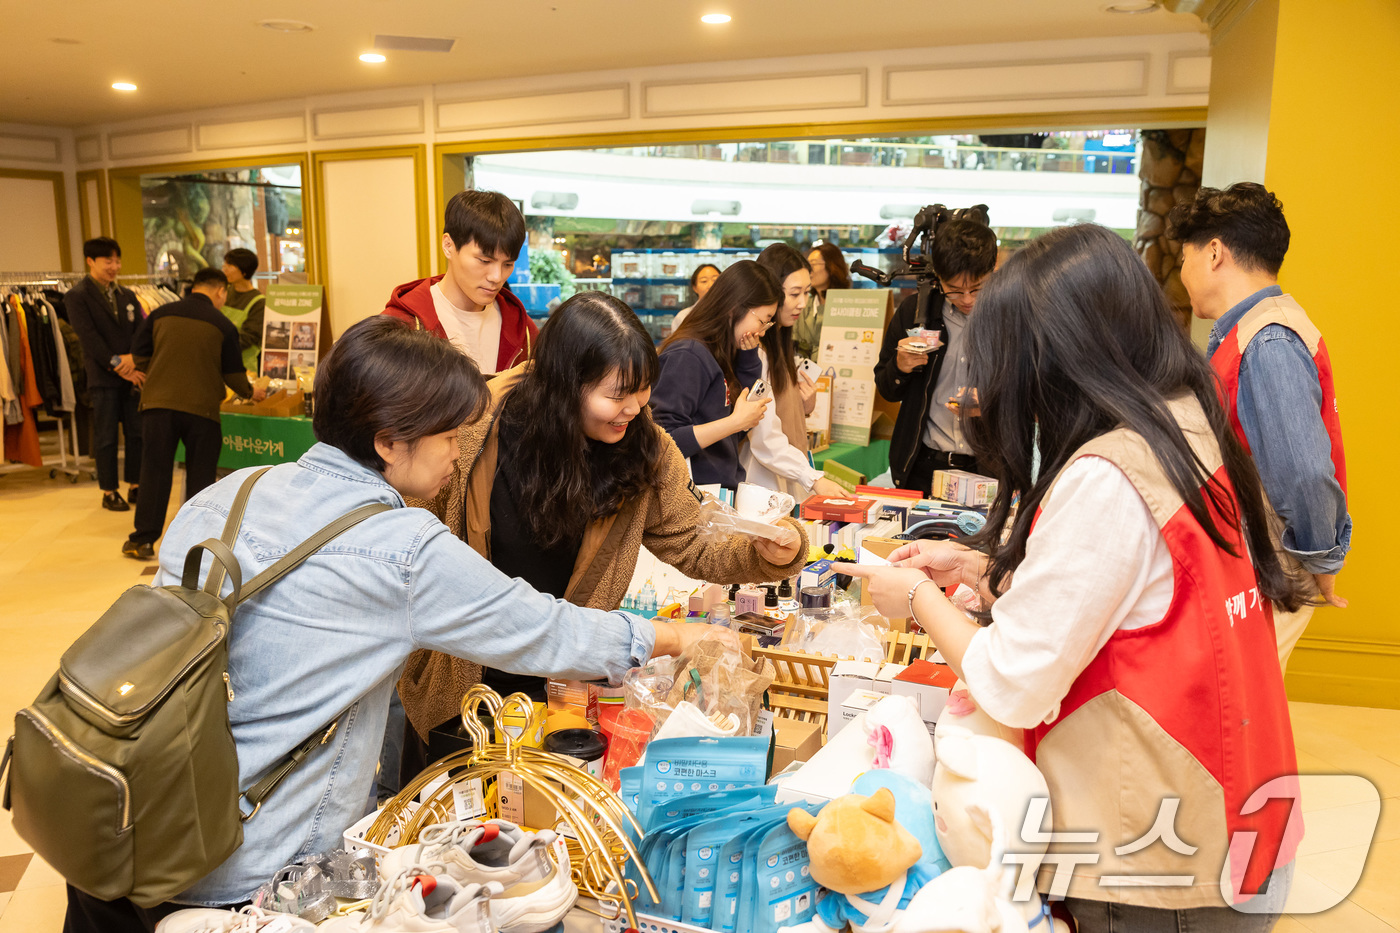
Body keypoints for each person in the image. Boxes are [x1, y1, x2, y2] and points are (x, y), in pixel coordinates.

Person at [64, 316, 713, 933]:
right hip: (251, 870)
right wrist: (677, 636)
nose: (458, 453)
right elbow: (546, 630)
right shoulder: (400, 547)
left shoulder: (229, 492)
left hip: (127, 826)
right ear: (387, 442)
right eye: (446, 434)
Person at [840, 224, 1303, 933]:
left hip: (1156, 855)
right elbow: (1127, 597)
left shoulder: (1108, 472)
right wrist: (977, 568)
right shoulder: (1185, 423)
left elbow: (1013, 681)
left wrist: (921, 599)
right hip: (1240, 814)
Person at [397, 291, 807, 738]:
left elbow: (692, 539)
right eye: (617, 395)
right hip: (464, 692)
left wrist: (770, 549)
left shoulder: (645, 448)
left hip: (566, 692)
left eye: (643, 390)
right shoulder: (476, 430)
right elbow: (409, 544)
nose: (634, 408)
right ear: (565, 383)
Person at [1168, 182, 1351, 670]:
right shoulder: (1255, 331)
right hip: (1260, 561)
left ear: (1213, 253)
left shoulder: (1267, 340)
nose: (1180, 274)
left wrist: (1320, 559)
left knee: (1241, 713)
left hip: (1271, 565)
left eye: (1182, 258)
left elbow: (1305, 472)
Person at [122, 268, 265, 560]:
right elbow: (233, 375)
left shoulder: (160, 314)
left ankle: (143, 540)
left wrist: (162, 372)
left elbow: (138, 356)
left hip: (158, 406)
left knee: (155, 471)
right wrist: (253, 392)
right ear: (220, 292)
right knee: (200, 476)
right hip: (203, 410)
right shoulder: (222, 324)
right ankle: (193, 545)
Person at [873, 218, 997, 494]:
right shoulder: (916, 313)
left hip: (989, 468)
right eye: (954, 289)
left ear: (993, 271)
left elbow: (1033, 396)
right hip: (924, 468)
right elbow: (885, 386)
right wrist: (900, 367)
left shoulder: (1011, 317)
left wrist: (991, 404)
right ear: (938, 277)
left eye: (977, 288)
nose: (966, 299)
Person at [382, 189, 538, 374]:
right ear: (448, 245)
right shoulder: (402, 326)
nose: (497, 277)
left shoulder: (524, 330)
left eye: (508, 264)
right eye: (484, 261)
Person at [652, 261, 775, 488]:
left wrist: (749, 361)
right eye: (762, 321)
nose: (761, 331)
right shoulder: (688, 355)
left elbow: (738, 429)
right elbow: (663, 442)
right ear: (734, 307)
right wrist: (734, 422)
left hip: (720, 492)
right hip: (695, 499)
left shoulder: (723, 351)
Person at [743, 243, 845, 498]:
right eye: (794, 293)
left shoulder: (781, 343)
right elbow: (764, 437)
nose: (801, 303)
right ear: (769, 292)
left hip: (784, 478)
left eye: (806, 293)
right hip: (763, 484)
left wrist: (804, 404)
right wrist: (813, 479)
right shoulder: (755, 352)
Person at [64, 237, 144, 511]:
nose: (114, 266)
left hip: (133, 376)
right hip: (103, 377)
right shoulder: (77, 296)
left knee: (136, 433)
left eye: (117, 261)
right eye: (108, 261)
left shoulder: (127, 295)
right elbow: (89, 338)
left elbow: (141, 332)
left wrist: (134, 359)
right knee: (107, 437)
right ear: (91, 261)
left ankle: (136, 485)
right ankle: (109, 490)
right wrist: (120, 366)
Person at [793, 243, 850, 360]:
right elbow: (795, 345)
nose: (809, 270)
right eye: (807, 265)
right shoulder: (804, 305)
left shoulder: (848, 306)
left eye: (813, 264)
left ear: (832, 266)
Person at [220, 247, 265, 372]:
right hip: (219, 364)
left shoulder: (258, 302)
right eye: (225, 264)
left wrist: (216, 348)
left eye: (230, 265)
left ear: (244, 270)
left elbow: (248, 338)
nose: (225, 269)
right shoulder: (223, 293)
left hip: (243, 367)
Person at [670, 262, 721, 330]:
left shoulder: (732, 314)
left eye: (715, 280)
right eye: (704, 281)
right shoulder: (683, 317)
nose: (711, 285)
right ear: (694, 288)